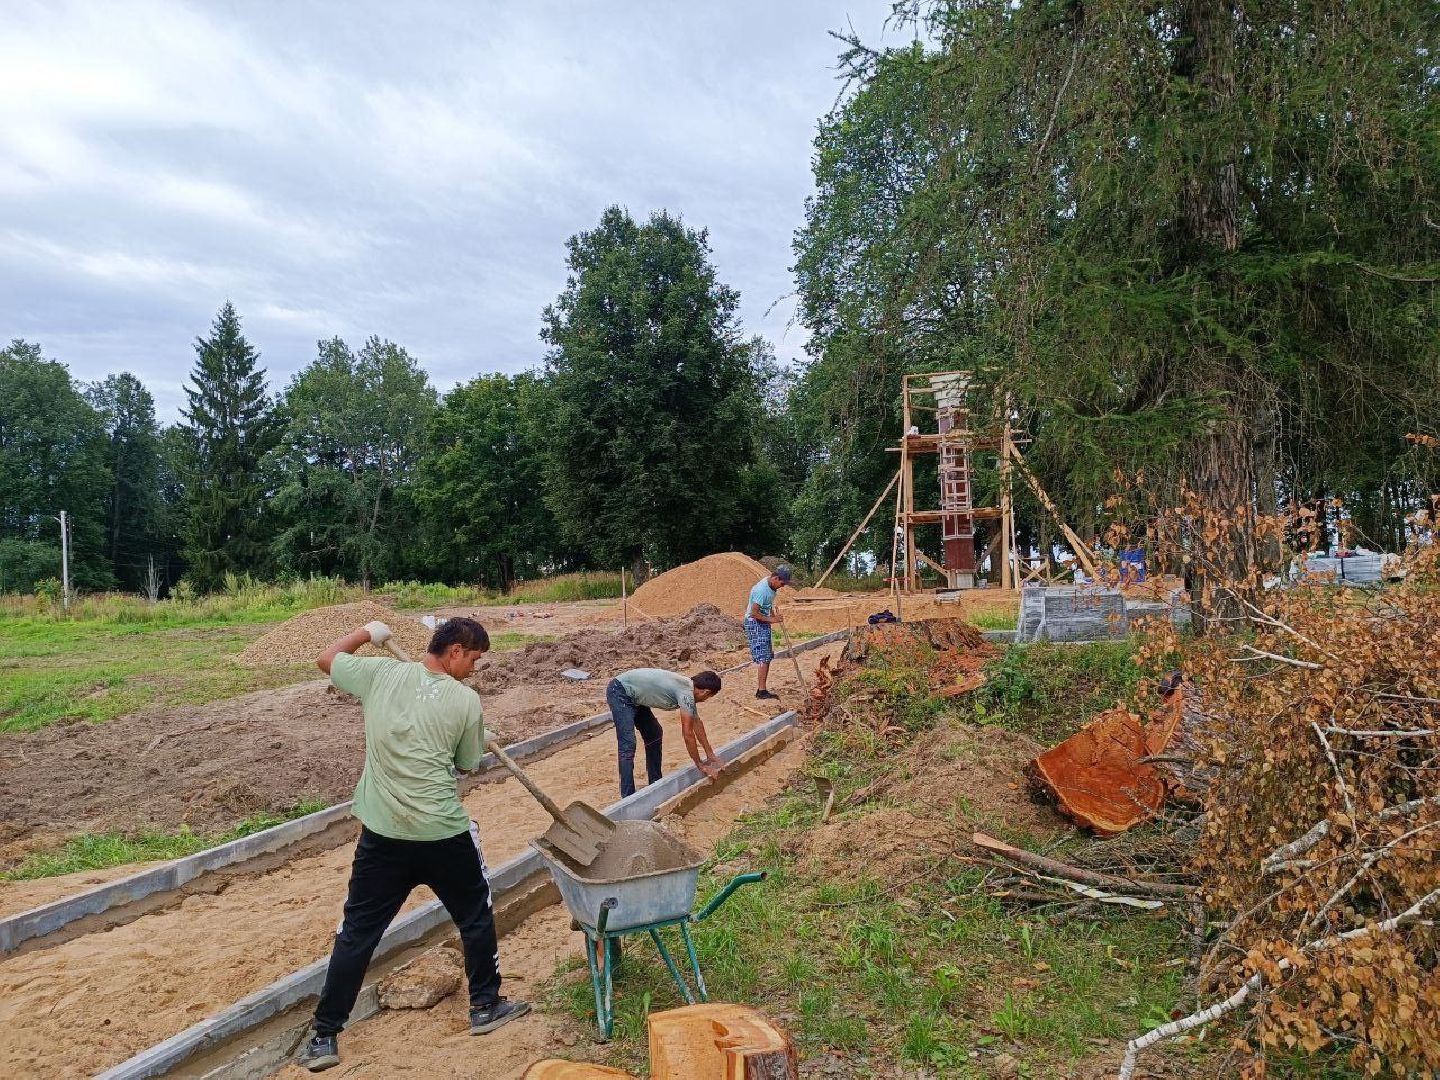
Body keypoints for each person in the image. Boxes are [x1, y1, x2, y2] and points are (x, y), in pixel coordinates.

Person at [298, 617, 529, 1073]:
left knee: (357, 933)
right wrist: (476, 737)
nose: (476, 670)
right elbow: (467, 765)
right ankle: (485, 1006)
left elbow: (326, 659)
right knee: (476, 916)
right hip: (441, 834)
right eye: (476, 660)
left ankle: (325, 1035)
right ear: (457, 651)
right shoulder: (465, 699)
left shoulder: (379, 675)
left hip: (383, 835)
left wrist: (366, 632)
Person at [606, 668, 724, 797]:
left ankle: (655, 781)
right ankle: (628, 797)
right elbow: (688, 734)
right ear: (705, 692)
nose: (704, 700)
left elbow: (697, 724)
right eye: (708, 697)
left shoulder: (688, 689)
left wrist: (710, 754)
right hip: (620, 691)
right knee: (627, 745)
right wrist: (700, 765)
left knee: (654, 734)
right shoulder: (686, 693)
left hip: (635, 695)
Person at [743, 564, 792, 700]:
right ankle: (761, 691)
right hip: (754, 623)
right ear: (775, 578)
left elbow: (768, 604)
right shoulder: (761, 590)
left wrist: (772, 615)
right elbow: (754, 613)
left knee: (768, 656)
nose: (783, 586)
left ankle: (762, 688)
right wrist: (773, 619)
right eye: (782, 583)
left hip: (763, 622)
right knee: (763, 657)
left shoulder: (771, 586)